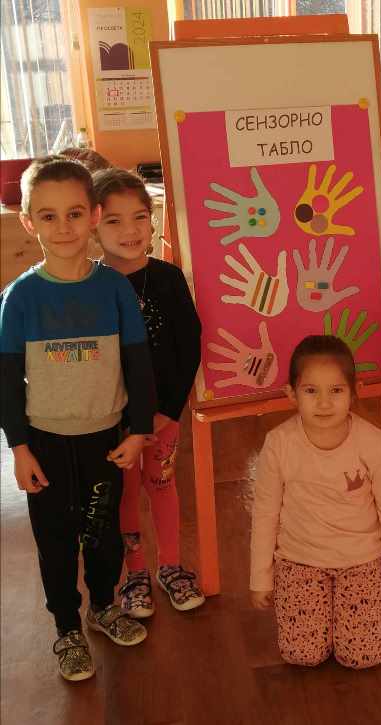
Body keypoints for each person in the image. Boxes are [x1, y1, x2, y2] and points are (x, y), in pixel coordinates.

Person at [0, 156, 156, 681]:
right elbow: (6, 381)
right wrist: (19, 448)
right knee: (56, 541)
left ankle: (103, 607)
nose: (63, 227)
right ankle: (67, 626)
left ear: (92, 215)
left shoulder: (113, 288)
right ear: (29, 223)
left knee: (103, 534)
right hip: (44, 443)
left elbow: (138, 363)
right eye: (48, 216)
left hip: (104, 440)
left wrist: (139, 430)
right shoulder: (20, 298)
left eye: (73, 214)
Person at [250, 335, 381, 669]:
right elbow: (264, 514)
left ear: (354, 392)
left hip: (362, 562)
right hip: (299, 561)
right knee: (302, 655)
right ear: (291, 394)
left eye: (336, 390)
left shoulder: (376, 443)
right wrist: (260, 577)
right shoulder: (279, 443)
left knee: (364, 656)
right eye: (311, 391)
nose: (324, 403)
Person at [93, 167, 204, 617]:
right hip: (113, 422)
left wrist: (168, 411)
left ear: (152, 218)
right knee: (123, 495)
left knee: (162, 484)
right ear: (94, 226)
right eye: (114, 220)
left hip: (163, 418)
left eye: (139, 217)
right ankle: (134, 573)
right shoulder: (91, 287)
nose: (130, 230)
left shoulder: (169, 278)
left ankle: (171, 566)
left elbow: (188, 348)